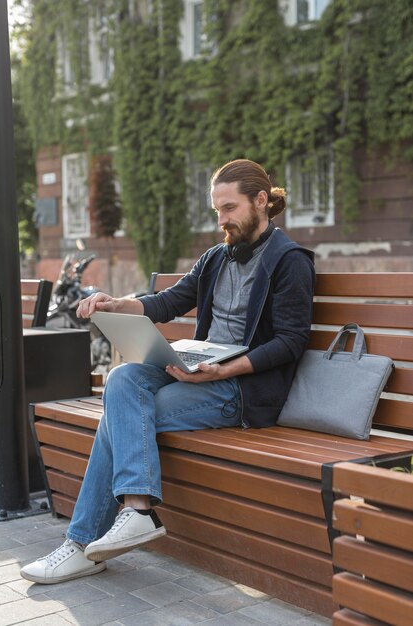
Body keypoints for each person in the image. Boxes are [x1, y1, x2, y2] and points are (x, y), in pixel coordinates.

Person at [20, 158, 315, 585]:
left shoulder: (291, 262)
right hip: (200, 370)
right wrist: (114, 303)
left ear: (261, 201)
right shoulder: (216, 258)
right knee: (122, 379)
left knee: (117, 418)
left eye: (229, 208)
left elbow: (290, 342)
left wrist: (222, 370)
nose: (221, 220)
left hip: (241, 389)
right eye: (216, 210)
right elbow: (167, 302)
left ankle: (85, 543)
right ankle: (135, 511)